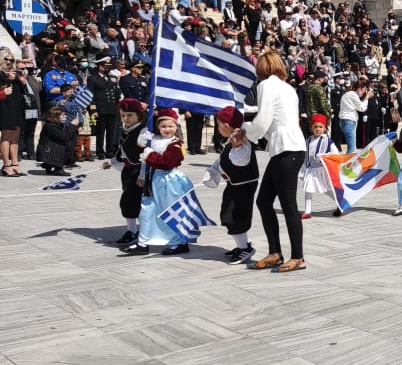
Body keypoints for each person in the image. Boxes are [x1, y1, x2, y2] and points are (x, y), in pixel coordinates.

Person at [234, 50, 307, 273]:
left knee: (288, 205)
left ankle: (298, 256)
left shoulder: (266, 85)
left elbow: (263, 120)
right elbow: (275, 121)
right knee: (264, 201)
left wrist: (245, 132)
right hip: (287, 147)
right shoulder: (288, 88)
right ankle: (275, 252)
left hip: (286, 148)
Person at [121, 108, 197, 256]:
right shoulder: (154, 139)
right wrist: (142, 175)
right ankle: (143, 243)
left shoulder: (175, 144)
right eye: (163, 126)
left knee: (170, 212)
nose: (167, 129)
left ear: (176, 126)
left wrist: (150, 156)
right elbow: (143, 156)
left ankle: (179, 243)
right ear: (158, 126)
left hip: (168, 181)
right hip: (153, 179)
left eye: (170, 126)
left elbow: (167, 163)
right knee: (147, 212)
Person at [202, 106, 258, 264]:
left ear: (226, 126)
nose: (218, 128)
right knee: (228, 214)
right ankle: (242, 245)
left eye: (219, 124)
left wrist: (238, 146)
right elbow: (222, 160)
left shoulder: (241, 144)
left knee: (236, 215)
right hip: (234, 184)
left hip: (243, 185)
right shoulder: (229, 143)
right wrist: (212, 171)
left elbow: (240, 160)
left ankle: (245, 248)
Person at [102, 98, 145, 245]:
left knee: (137, 202)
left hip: (139, 172)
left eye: (130, 115)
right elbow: (122, 153)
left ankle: (142, 232)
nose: (126, 118)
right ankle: (131, 230)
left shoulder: (143, 132)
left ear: (139, 115)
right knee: (127, 202)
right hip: (128, 172)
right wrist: (111, 162)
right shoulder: (127, 130)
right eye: (123, 115)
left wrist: (142, 175)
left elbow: (146, 156)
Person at [299, 113, 337, 219]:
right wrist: (302, 167)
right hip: (310, 169)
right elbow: (305, 154)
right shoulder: (308, 140)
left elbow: (335, 153)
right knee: (308, 189)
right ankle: (307, 211)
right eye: (315, 127)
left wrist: (323, 156)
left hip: (321, 170)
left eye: (320, 127)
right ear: (311, 128)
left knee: (326, 190)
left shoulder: (327, 141)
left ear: (324, 128)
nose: (318, 129)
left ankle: (339, 203)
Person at [36, 106, 74, 176]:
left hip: (50, 148)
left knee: (67, 145)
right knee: (63, 145)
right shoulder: (50, 126)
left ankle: (49, 164)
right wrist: (72, 125)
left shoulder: (56, 124)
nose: (65, 117)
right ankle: (58, 168)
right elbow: (65, 137)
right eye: (62, 115)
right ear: (56, 116)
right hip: (46, 150)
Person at [338, 79, 369, 153]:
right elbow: (362, 108)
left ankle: (349, 160)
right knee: (351, 149)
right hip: (348, 122)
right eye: (364, 89)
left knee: (352, 148)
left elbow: (359, 105)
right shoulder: (352, 94)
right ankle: (349, 161)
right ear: (359, 88)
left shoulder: (349, 94)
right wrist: (367, 98)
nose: (364, 92)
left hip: (347, 121)